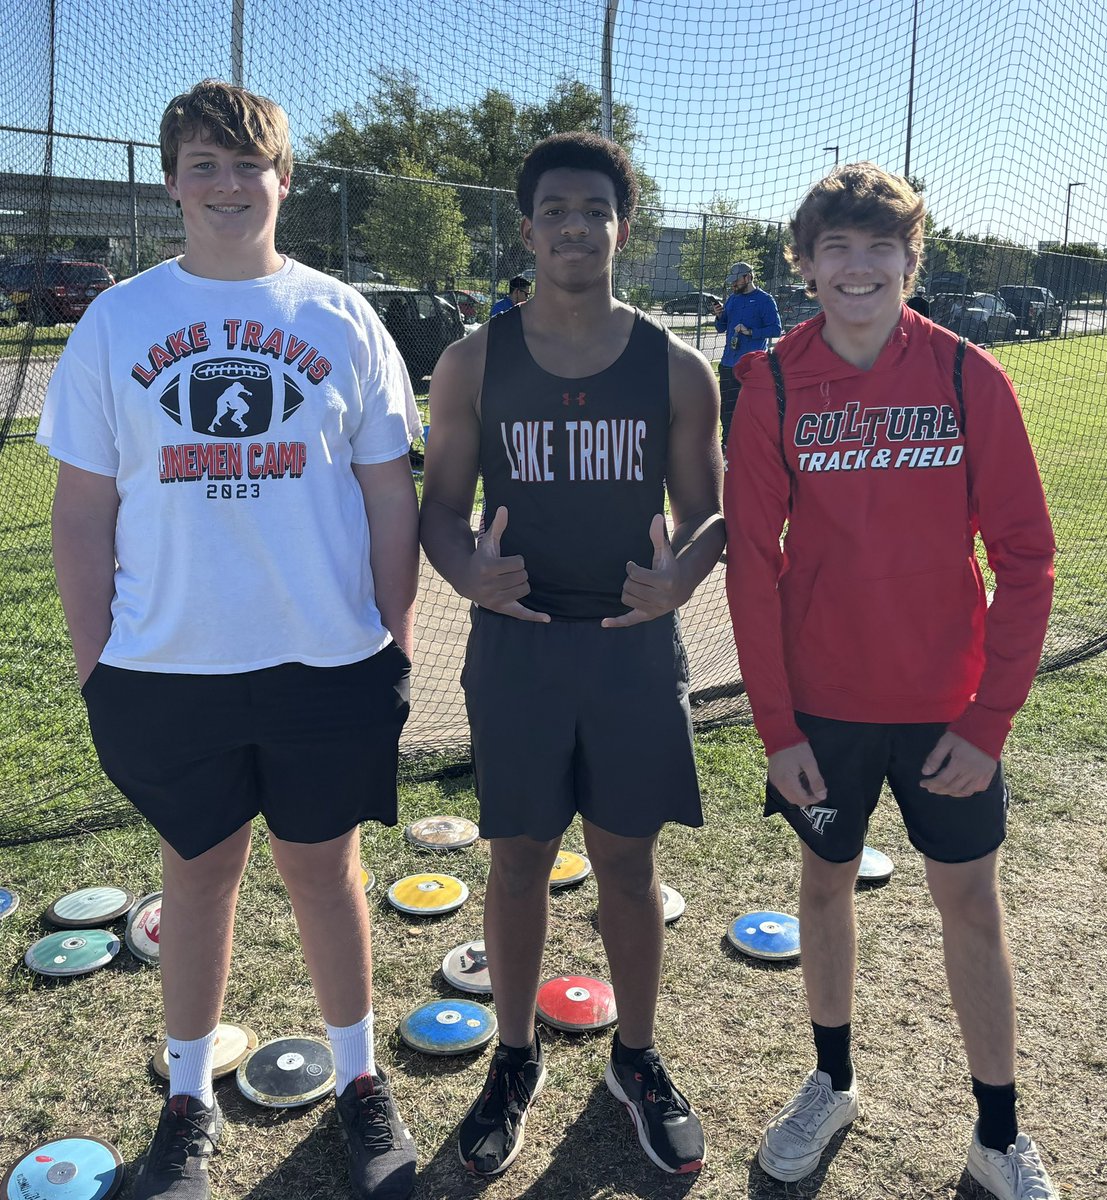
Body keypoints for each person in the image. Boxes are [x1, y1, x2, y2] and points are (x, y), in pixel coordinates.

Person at [38, 80, 421, 1200]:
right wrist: (92, 658)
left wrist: (391, 637)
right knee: (196, 878)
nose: (224, 184)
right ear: (169, 182)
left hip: (324, 661)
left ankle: (357, 1082)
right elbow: (82, 509)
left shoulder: (341, 316)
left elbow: (389, 494)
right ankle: (188, 1100)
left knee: (325, 870)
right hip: (169, 668)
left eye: (247, 164)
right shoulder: (118, 320)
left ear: (283, 181)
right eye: (201, 164)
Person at [723, 162, 1058, 1200]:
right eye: (837, 248)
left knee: (970, 905)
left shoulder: (968, 378)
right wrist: (777, 730)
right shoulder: (773, 381)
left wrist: (990, 720)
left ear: (912, 263)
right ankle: (831, 1081)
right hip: (821, 710)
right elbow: (749, 564)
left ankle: (997, 1136)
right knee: (823, 886)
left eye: (880, 248)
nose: (857, 267)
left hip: (947, 711)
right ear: (807, 266)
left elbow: (1028, 558)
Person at [420, 131, 724, 1179]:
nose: (573, 227)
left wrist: (680, 577)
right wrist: (469, 574)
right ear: (526, 228)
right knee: (515, 862)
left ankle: (633, 1059)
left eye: (594, 211)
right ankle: (513, 1057)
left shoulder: (676, 367)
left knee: (628, 865)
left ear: (621, 230)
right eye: (553, 210)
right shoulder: (472, 360)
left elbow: (710, 513)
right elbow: (438, 514)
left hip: (634, 651)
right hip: (520, 651)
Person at [712, 261, 781, 448]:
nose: (733, 285)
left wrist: (750, 332)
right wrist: (719, 316)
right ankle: (727, 447)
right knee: (726, 411)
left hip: (752, 367)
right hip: (728, 364)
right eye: (732, 282)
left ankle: (752, 448)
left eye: (737, 281)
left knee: (751, 411)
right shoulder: (733, 299)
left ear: (748, 277)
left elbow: (776, 329)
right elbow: (721, 327)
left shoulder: (765, 300)